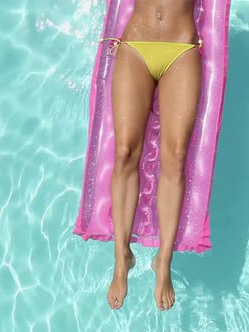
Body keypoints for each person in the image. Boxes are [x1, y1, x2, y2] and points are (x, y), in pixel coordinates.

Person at [104, 0, 201, 311]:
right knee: (124, 152)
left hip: (181, 48)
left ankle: (164, 260)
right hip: (136, 45)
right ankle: (122, 258)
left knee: (175, 156)